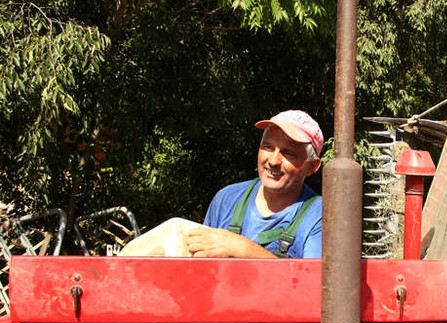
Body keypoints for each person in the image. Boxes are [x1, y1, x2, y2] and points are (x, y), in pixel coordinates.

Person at [120, 109, 323, 258]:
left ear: (312, 166)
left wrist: (243, 249)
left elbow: (315, 289)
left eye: (288, 153)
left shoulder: (320, 215)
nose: (273, 161)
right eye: (268, 147)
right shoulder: (228, 199)